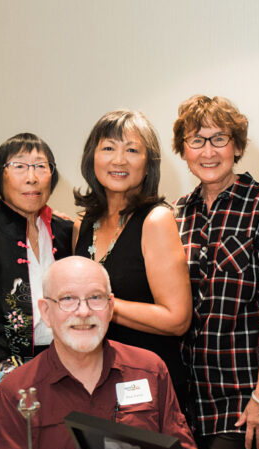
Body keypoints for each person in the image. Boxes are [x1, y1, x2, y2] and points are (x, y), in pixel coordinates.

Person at [172, 95, 259, 449]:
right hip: (187, 403)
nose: (207, 151)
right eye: (196, 140)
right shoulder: (175, 215)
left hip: (244, 401)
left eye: (219, 138)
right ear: (183, 150)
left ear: (238, 146)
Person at [0, 256, 197, 449]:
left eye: (95, 297)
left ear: (110, 307)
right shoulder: (17, 391)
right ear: (45, 311)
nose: (84, 311)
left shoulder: (149, 370)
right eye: (68, 299)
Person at [73, 110, 191, 410]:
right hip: (95, 382)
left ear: (148, 165)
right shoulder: (83, 224)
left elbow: (177, 319)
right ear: (92, 157)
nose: (119, 160)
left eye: (132, 150)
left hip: (146, 385)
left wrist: (102, 304)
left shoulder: (156, 220)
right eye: (109, 148)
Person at [0, 134, 74, 431]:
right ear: (1, 176)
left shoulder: (66, 232)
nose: (32, 177)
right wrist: (18, 401)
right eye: (20, 167)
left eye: (41, 166)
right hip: (10, 383)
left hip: (70, 370)